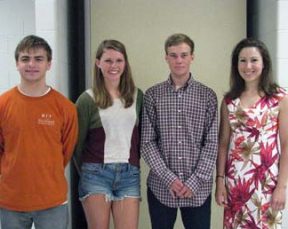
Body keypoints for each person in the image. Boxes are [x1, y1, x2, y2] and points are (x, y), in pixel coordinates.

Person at [141, 33, 218, 229]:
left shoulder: (207, 96)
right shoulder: (152, 96)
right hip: (161, 188)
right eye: (173, 55)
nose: (179, 60)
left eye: (184, 55)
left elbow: (211, 143)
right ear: (166, 57)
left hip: (198, 190)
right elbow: (147, 143)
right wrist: (170, 179)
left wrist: (195, 181)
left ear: (192, 57)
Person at [0, 35, 78, 229]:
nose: (31, 64)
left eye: (39, 59)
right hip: (11, 201)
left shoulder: (65, 107)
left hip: (52, 201)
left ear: (49, 64)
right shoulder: (3, 104)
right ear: (17, 64)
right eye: (25, 59)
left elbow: (66, 151)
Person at [215, 38, 288, 228]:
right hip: (236, 185)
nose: (248, 66)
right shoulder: (229, 101)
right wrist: (220, 182)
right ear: (236, 64)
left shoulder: (279, 98)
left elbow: (286, 143)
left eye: (254, 60)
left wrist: (281, 186)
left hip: (267, 185)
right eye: (242, 60)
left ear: (264, 63)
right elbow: (223, 143)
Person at [74, 39, 143, 229]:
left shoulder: (138, 97)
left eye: (119, 60)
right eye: (108, 60)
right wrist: (89, 171)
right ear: (98, 63)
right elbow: (76, 145)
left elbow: (141, 140)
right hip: (95, 174)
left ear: (125, 63)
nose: (114, 66)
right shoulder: (87, 100)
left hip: (129, 175)